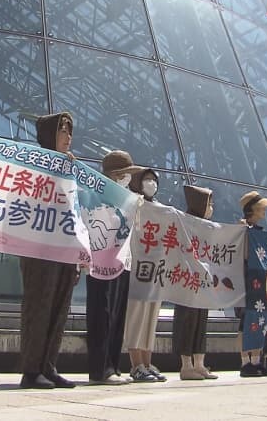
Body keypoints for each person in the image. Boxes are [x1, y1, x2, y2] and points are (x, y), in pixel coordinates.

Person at [19, 112, 79, 390]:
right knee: (39, 305)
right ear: (48, 135)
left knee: (60, 306)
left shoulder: (70, 167)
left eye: (69, 132)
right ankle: (31, 370)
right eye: (62, 131)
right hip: (38, 246)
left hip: (65, 247)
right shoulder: (31, 162)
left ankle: (49, 366)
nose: (68, 138)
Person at [86, 150, 143, 385]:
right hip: (100, 261)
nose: (128, 179)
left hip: (122, 260)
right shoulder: (95, 194)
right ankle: (100, 369)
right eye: (125, 174)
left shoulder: (128, 197)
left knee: (117, 313)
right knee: (102, 312)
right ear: (115, 174)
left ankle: (113, 365)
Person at [172, 185, 218, 380]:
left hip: (203, 281)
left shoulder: (207, 226)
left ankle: (199, 363)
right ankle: (186, 365)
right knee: (187, 321)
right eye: (209, 204)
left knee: (201, 320)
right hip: (186, 280)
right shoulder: (184, 223)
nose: (211, 208)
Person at [123, 168, 165, 383]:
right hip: (138, 268)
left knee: (151, 318)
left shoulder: (160, 208)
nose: (151, 183)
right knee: (137, 316)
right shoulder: (133, 203)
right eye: (147, 179)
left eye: (153, 180)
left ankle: (148, 362)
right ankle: (136, 364)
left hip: (156, 271)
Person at [236, 190, 267, 377]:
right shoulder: (241, 231)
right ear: (253, 210)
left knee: (260, 320)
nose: (264, 212)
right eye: (261, 208)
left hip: (260, 280)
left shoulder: (259, 233)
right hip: (245, 280)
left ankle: (257, 360)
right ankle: (245, 362)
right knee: (245, 322)